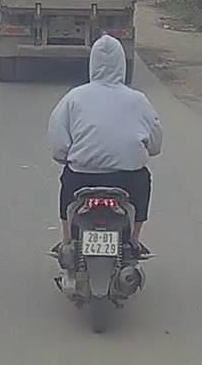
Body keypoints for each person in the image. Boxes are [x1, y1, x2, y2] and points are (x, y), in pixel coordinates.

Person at [48, 34, 163, 257]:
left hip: (82, 177)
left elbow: (59, 144)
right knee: (144, 181)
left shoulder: (74, 98)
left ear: (92, 64)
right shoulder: (138, 100)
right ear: (121, 64)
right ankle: (134, 240)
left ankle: (67, 240)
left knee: (67, 185)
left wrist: (68, 157)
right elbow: (155, 144)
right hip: (128, 179)